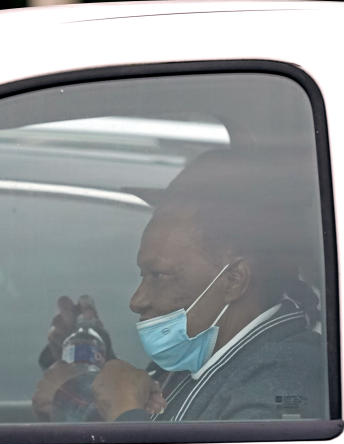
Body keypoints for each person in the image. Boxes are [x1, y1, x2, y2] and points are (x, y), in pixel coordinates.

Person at [32, 148, 327, 423]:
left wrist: (105, 406)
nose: (136, 300)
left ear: (234, 279)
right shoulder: (199, 353)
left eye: (159, 276)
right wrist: (99, 368)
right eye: (142, 276)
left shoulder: (288, 379)